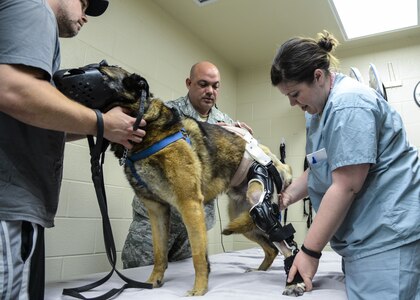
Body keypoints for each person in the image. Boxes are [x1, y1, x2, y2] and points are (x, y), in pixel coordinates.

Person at [0, 0, 146, 299]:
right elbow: (12, 89)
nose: (85, 16)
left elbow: (37, 123)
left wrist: (108, 129)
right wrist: (101, 122)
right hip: (9, 206)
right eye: (83, 3)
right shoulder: (34, 8)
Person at [270, 30, 420, 299]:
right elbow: (319, 166)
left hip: (386, 240)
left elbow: (346, 186)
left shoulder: (348, 105)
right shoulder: (318, 113)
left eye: (294, 93)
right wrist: (286, 196)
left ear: (318, 76)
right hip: (362, 244)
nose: (292, 103)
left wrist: (309, 252)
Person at [122, 61, 252, 268]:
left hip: (192, 225)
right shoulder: (165, 113)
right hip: (153, 223)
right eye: (203, 84)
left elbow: (230, 171)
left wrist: (244, 141)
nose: (210, 91)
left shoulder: (225, 122)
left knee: (179, 284)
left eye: (215, 86)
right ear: (189, 83)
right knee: (141, 277)